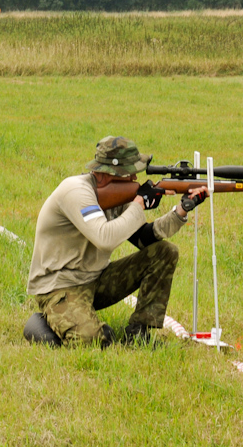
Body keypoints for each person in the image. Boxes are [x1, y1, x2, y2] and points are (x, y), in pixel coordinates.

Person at [26, 136, 207, 346]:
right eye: (129, 174)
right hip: (59, 287)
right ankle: (41, 324)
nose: (134, 179)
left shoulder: (115, 196)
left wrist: (181, 210)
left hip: (95, 278)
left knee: (164, 252)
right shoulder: (76, 192)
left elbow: (143, 238)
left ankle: (139, 333)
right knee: (91, 341)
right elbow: (105, 238)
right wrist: (138, 205)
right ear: (106, 175)